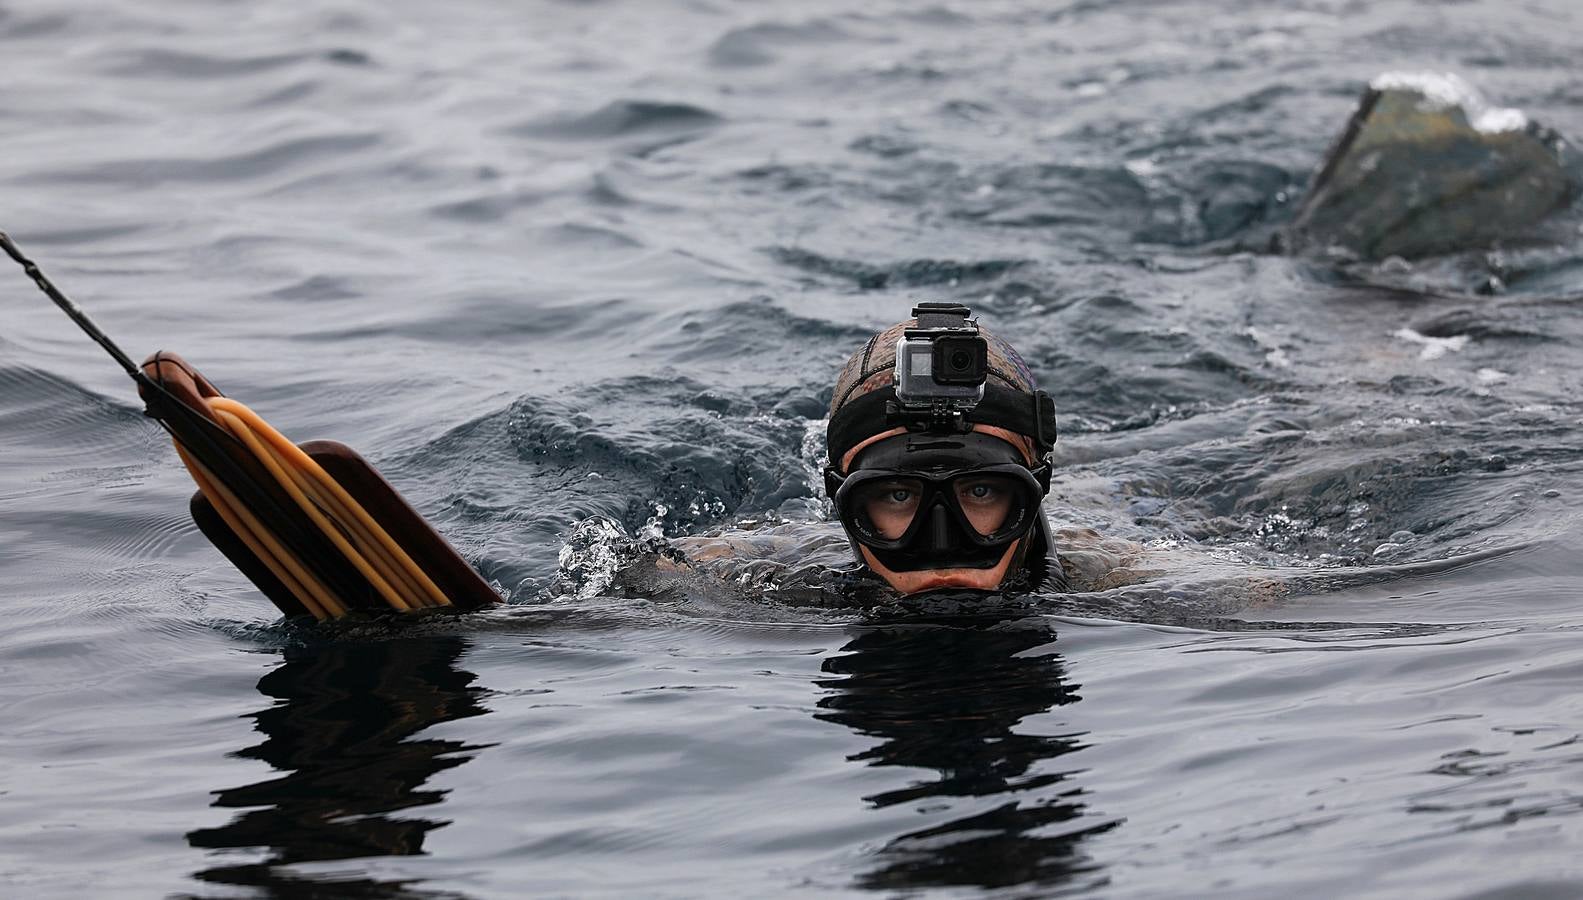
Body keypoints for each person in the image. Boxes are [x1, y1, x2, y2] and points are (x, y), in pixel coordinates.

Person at [822, 303, 1063, 596]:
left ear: (1036, 488)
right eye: (898, 495)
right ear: (842, 502)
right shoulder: (765, 573)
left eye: (981, 491)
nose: (942, 545)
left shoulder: (1122, 576)